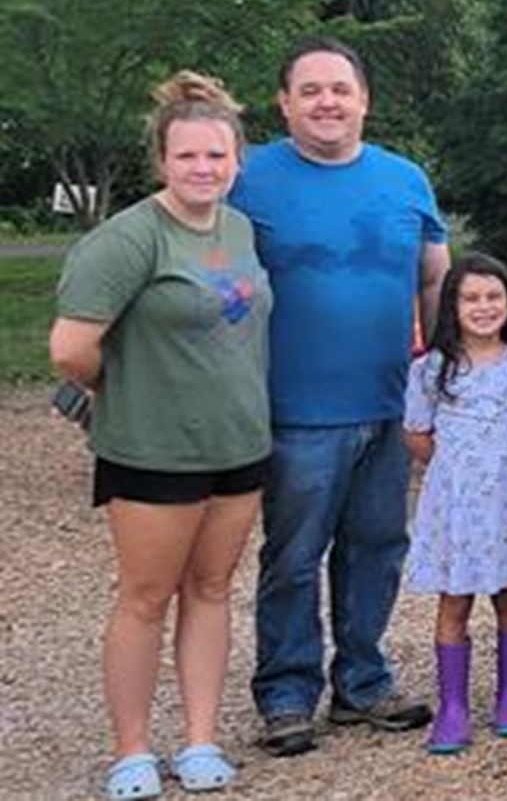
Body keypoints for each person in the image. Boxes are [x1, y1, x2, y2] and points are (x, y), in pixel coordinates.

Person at [54, 72, 271, 799]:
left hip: (238, 446)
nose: (203, 168)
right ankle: (132, 750)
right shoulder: (128, 240)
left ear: (236, 159)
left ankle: (201, 739)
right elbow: (70, 350)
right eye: (188, 156)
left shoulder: (237, 229)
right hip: (154, 450)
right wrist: (124, 392)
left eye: (216, 156)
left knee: (211, 590)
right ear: (161, 161)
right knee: (146, 597)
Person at [230, 39, 449, 756]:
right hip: (295, 411)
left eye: (340, 89)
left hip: (387, 404)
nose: (328, 102)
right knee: (294, 556)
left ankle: (362, 680)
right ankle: (287, 692)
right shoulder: (246, 178)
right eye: (311, 90)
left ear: (365, 100)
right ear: (284, 103)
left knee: (377, 548)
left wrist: (440, 378)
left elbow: (434, 279)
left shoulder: (404, 180)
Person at [404, 253, 507, 754]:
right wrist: (455, 469)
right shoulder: (432, 369)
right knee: (454, 601)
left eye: (493, 297)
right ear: (452, 306)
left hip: (505, 504)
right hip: (456, 507)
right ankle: (453, 706)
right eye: (471, 298)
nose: (483, 307)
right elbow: (416, 433)